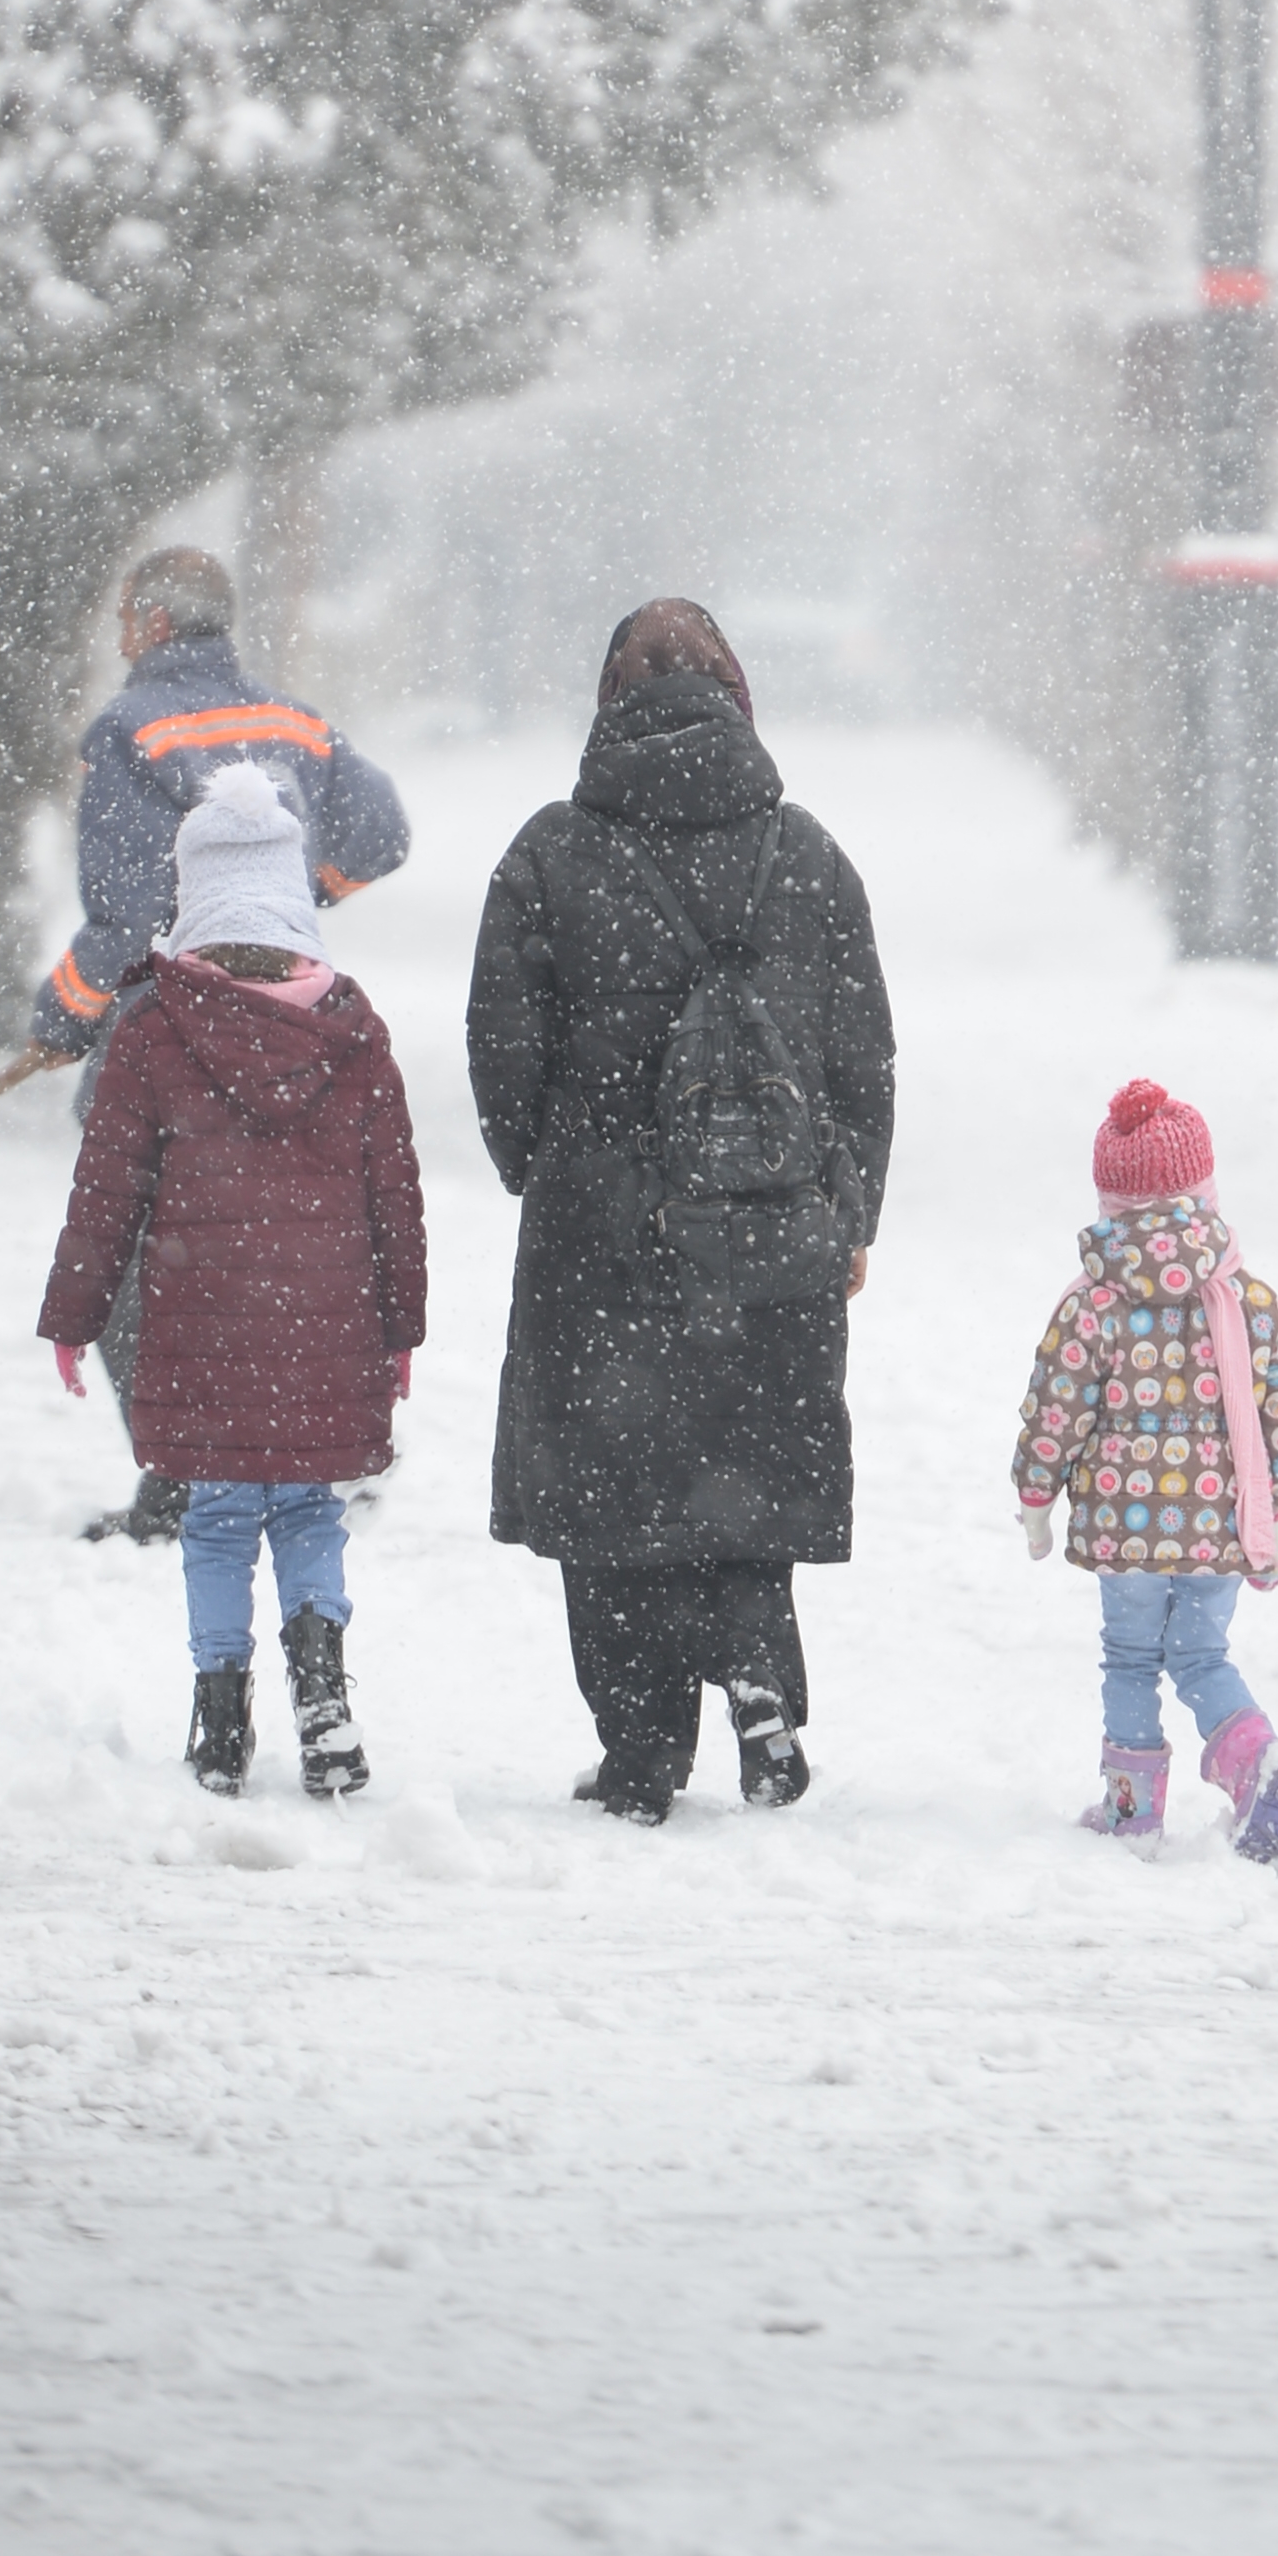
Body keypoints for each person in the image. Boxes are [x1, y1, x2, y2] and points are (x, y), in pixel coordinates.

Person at [466, 598, 895, 1826]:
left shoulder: (550, 851)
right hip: (771, 1227)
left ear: (608, 703)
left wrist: (544, 1169)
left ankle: (642, 1752)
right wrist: (844, 1205)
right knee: (744, 1467)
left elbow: (501, 1045)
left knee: (611, 1496)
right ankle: (759, 1672)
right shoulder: (807, 854)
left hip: (600, 1226)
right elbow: (862, 1054)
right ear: (738, 693)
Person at [36, 765, 427, 1797]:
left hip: (197, 1314)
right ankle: (323, 1691)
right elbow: (396, 1196)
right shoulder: (352, 1029)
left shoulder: (152, 1028)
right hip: (325, 1318)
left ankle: (218, 1715)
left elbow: (106, 1192)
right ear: (293, 890)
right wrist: (400, 1330)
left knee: (215, 1515)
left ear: (194, 889)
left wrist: (75, 1313)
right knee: (307, 1510)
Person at [28, 542, 411, 1544]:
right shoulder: (293, 720)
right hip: (298, 1024)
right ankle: (313, 1456)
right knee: (283, 1252)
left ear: (154, 624)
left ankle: (180, 1479)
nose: (118, 637)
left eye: (123, 618)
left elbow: (126, 918)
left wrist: (65, 1009)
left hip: (180, 1034)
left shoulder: (129, 731)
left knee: (135, 1259)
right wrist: (298, 901)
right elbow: (382, 831)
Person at [1011, 1078, 1278, 1860]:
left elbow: (1057, 1407)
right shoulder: (1247, 1300)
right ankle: (1255, 1761)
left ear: (1109, 1201)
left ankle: (1130, 1809)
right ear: (1206, 1192)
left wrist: (1037, 1495)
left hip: (1126, 1532)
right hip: (1218, 1525)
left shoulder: (1094, 1305)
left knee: (1131, 1659)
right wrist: (1272, 1504)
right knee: (1204, 1655)